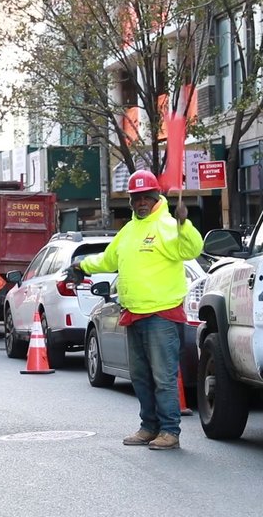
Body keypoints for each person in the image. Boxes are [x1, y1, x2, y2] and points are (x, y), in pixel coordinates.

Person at [72, 170, 202, 450]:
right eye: (136, 198)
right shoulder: (128, 231)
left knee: (163, 377)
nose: (141, 202)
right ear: (130, 201)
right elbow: (108, 260)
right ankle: (149, 427)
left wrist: (185, 223)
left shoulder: (168, 225)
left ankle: (170, 431)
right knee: (141, 377)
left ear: (156, 198)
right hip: (134, 314)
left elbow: (192, 249)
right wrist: (82, 265)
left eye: (146, 197)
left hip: (161, 316)